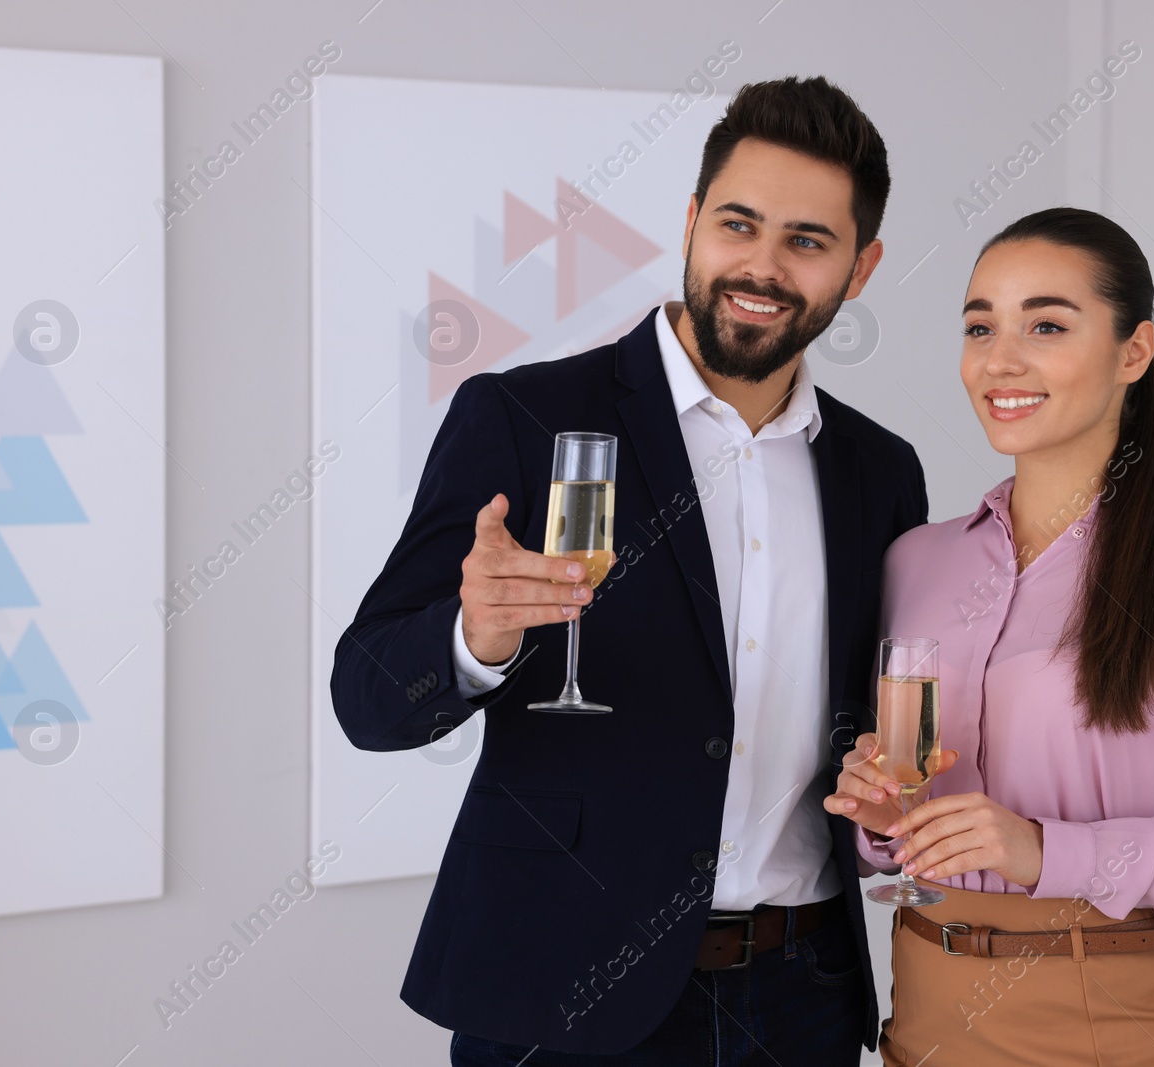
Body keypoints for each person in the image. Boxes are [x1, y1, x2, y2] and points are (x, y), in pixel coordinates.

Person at [330, 76, 928, 1065]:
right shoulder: (519, 419)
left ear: (858, 269)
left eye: (807, 242)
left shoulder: (879, 470)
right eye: (739, 224)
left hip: (802, 995)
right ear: (692, 221)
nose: (763, 265)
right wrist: (472, 638)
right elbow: (369, 700)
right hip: (562, 987)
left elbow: (876, 721)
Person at [825, 207, 1154, 1066]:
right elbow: (906, 815)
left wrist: (1045, 849)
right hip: (924, 1019)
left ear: (1134, 352)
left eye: (1047, 325)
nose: (1000, 359)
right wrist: (883, 818)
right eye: (979, 326)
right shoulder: (916, 561)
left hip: (1112, 1021)